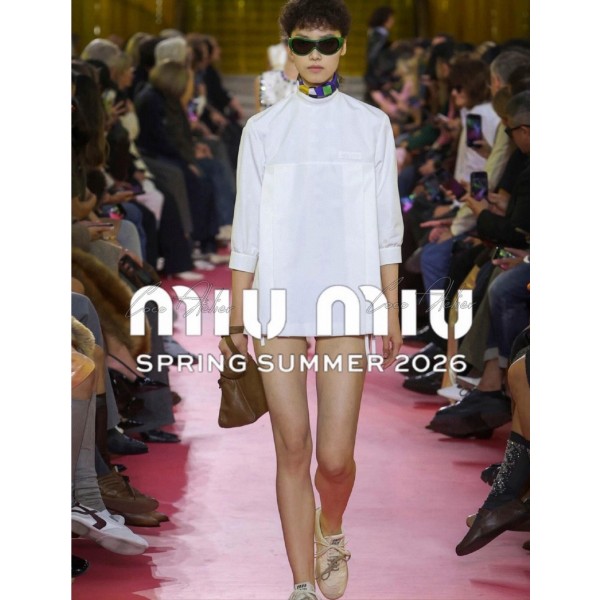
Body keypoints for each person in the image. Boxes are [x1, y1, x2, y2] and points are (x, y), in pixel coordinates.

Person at [219, 1, 404, 599]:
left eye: (327, 44)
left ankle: (333, 526)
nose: (315, 55)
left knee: (335, 459)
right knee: (292, 446)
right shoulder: (263, 131)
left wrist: (391, 308)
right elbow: (246, 232)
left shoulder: (372, 125)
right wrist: (236, 316)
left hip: (347, 300)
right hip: (277, 301)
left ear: (344, 47)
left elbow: (388, 229)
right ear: (289, 49)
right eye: (303, 44)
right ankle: (301, 582)